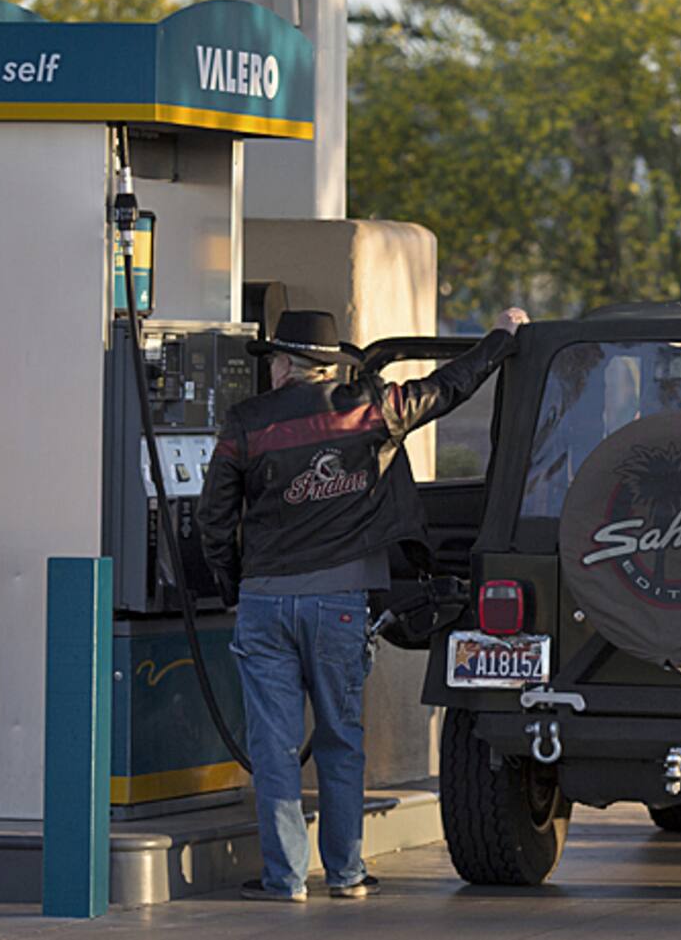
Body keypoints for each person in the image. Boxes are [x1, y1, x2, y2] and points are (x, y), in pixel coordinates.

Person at [198, 307, 528, 902]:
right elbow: (450, 386)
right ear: (328, 367)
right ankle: (346, 873)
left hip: (265, 603)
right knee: (340, 739)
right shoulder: (373, 408)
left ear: (285, 365)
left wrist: (232, 587)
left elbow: (213, 520)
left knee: (273, 747)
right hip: (339, 604)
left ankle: (284, 878)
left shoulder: (245, 422)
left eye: (273, 360)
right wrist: (501, 338)